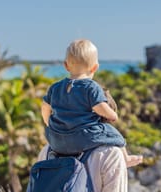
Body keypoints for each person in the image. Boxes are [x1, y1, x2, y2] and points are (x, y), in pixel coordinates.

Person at [41, 38, 142, 167]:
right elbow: (101, 108)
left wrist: (49, 123)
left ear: (66, 65)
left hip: (56, 139)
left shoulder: (55, 87)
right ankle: (126, 159)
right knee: (112, 132)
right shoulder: (91, 87)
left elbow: (45, 108)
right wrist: (113, 115)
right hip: (81, 138)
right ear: (95, 67)